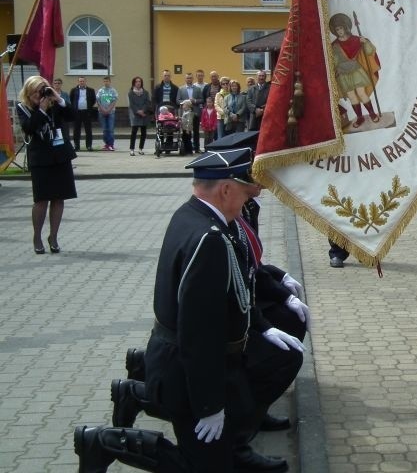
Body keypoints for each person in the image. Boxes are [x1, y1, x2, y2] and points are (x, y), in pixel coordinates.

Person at [75, 148, 294, 472]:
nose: (251, 197)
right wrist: (209, 405)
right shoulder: (210, 239)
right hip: (185, 371)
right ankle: (103, 443)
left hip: (185, 364)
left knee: (212, 456)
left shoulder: (192, 216)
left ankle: (104, 441)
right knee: (202, 465)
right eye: (246, 190)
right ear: (225, 190)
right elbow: (198, 331)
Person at [16, 75, 77, 254]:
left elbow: (71, 116)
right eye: (36, 91)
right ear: (28, 92)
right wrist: (41, 110)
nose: (39, 94)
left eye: (42, 90)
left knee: (59, 197)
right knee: (41, 199)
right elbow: (29, 128)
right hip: (40, 158)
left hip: (60, 156)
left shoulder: (54, 102)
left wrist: (58, 99)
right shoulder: (23, 108)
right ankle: (37, 236)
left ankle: (54, 236)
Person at [329, 12, 381, 129]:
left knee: (361, 93)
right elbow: (333, 62)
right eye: (337, 30)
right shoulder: (334, 45)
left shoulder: (356, 40)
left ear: (346, 28)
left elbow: (369, 52)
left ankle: (372, 114)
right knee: (352, 96)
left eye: (341, 28)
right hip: (343, 75)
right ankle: (360, 117)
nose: (339, 31)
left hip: (356, 71)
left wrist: (365, 42)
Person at [177, 71, 203, 153]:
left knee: (196, 131)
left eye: (190, 78)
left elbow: (202, 100)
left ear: (193, 79)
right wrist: (185, 102)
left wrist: (194, 100)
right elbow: (178, 100)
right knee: (186, 131)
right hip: (185, 114)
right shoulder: (181, 89)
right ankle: (187, 148)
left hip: (195, 112)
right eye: (187, 78)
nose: (189, 79)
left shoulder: (198, 89)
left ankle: (196, 148)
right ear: (185, 79)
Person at [69, 76, 96, 151]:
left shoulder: (91, 90)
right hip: (77, 112)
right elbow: (71, 99)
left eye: (83, 81)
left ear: (85, 82)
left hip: (87, 113)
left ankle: (89, 146)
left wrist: (89, 107)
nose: (82, 82)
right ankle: (76, 146)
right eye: (80, 81)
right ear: (78, 82)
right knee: (76, 130)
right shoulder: (73, 90)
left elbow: (93, 100)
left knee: (88, 130)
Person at [128, 76, 151, 156]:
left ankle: (141, 149)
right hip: (135, 115)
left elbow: (147, 103)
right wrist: (138, 111)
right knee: (133, 132)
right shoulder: (131, 93)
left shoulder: (145, 92)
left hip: (144, 115)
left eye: (140, 81)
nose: (138, 83)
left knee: (143, 133)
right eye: (137, 81)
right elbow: (131, 104)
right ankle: (132, 149)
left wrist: (143, 110)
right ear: (134, 83)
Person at [97, 76, 119, 151]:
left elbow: (114, 101)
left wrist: (108, 109)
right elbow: (98, 101)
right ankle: (106, 144)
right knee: (105, 129)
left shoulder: (113, 91)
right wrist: (103, 109)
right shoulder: (100, 91)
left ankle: (111, 144)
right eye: (105, 81)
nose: (106, 83)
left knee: (110, 128)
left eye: (107, 81)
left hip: (111, 112)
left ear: (110, 82)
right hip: (101, 112)